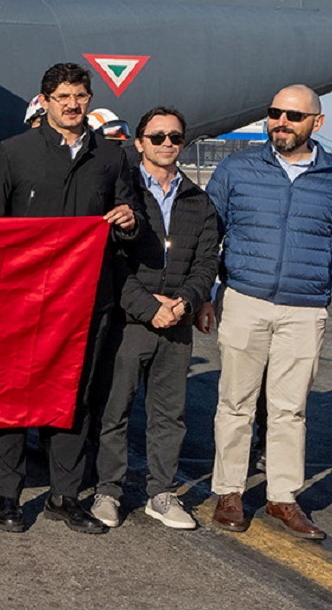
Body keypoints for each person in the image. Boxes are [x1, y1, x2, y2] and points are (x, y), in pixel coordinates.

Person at [0, 62, 141, 535]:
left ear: (89, 100)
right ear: (46, 101)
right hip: (22, 300)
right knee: (12, 396)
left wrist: (129, 222)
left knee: (74, 397)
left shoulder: (111, 158)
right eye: (63, 97)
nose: (73, 105)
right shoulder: (13, 153)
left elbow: (130, 219)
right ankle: (8, 497)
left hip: (88, 299)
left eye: (80, 96)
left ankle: (64, 495)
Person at [207, 85, 332, 540]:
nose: (281, 122)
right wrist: (202, 294)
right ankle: (229, 491)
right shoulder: (237, 168)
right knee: (235, 402)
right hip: (244, 300)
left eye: (293, 115)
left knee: (291, 409)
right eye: (274, 113)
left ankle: (282, 498)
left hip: (305, 308)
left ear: (317, 123)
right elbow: (208, 233)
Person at [92, 106, 218, 531]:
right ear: (140, 142)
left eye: (175, 137)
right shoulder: (123, 194)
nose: (167, 144)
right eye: (158, 136)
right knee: (116, 409)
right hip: (132, 322)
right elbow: (112, 262)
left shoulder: (198, 200)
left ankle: (161, 494)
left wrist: (183, 302)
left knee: (169, 414)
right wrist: (150, 307)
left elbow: (206, 263)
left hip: (177, 322)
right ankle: (108, 490)